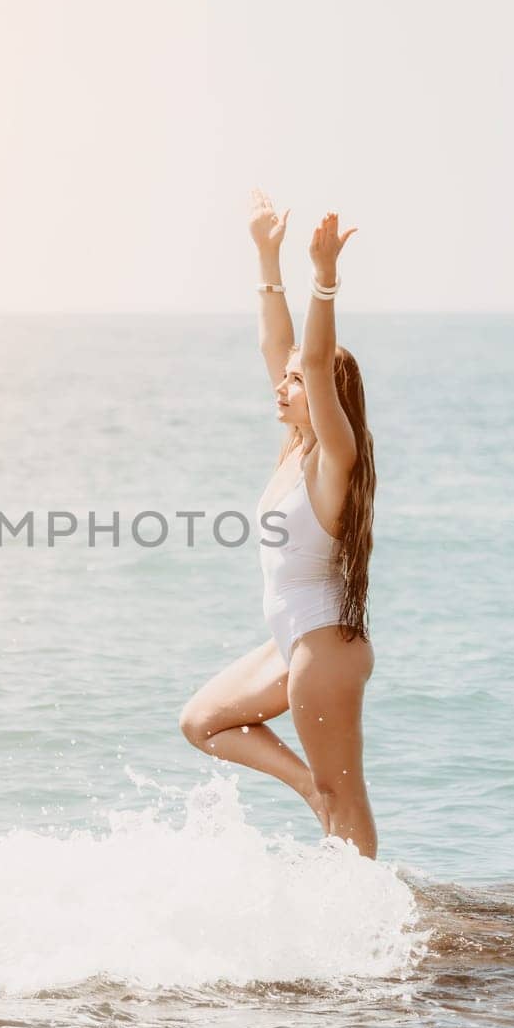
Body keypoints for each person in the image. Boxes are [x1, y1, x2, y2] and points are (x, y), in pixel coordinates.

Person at [178, 189, 379, 858]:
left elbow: (314, 362)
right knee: (203, 721)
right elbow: (282, 344)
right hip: (292, 641)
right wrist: (266, 253)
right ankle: (309, 792)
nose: (282, 382)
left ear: (323, 400)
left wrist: (324, 279)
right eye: (285, 378)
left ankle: (366, 919)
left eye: (293, 382)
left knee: (346, 799)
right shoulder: (296, 452)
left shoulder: (333, 459)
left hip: (323, 647)